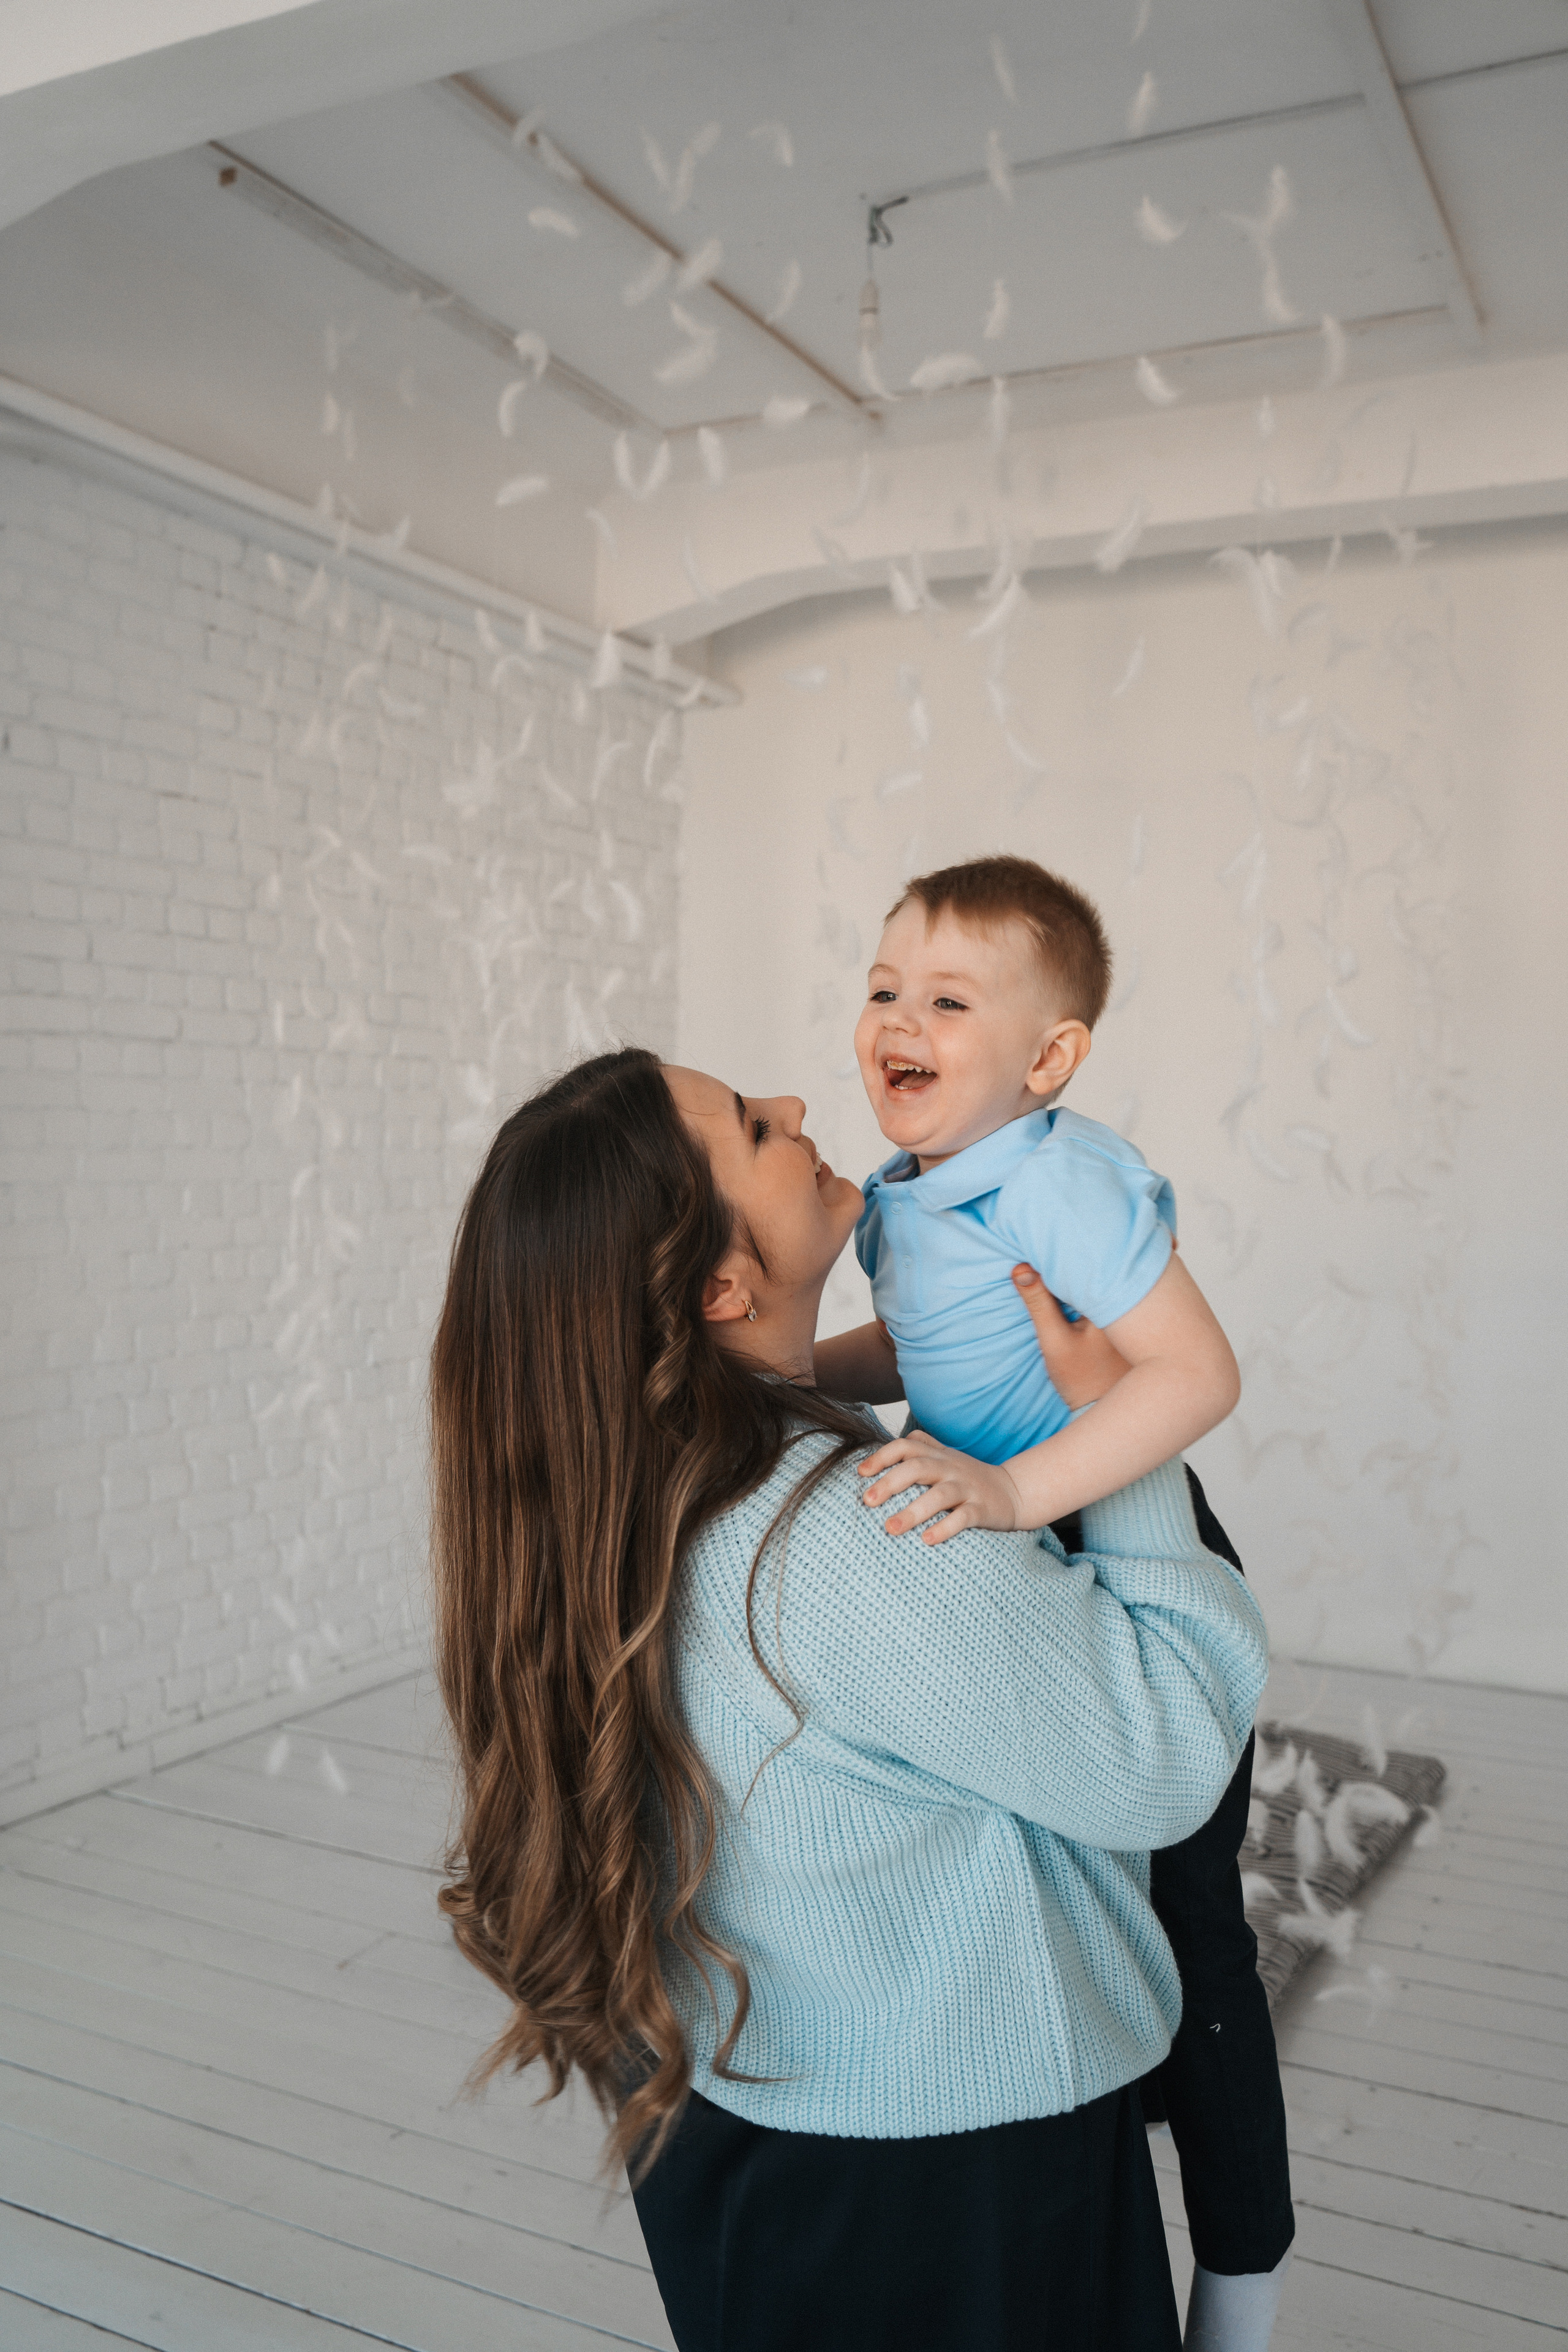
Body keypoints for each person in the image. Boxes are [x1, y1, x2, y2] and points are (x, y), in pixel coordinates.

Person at [428, 1046, 1271, 2351]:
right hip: (953, 2179)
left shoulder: (619, 1495)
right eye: (753, 1128)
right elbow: (1163, 1759)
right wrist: (1118, 1427)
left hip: (740, 2129)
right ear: (719, 1285)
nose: (794, 1108)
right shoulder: (841, 1534)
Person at [815, 855, 1295, 2349]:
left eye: (948, 1000)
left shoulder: (1057, 1177)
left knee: (1194, 1924)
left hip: (1109, 1525)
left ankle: (1240, 2281)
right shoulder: (908, 1189)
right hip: (1007, 1537)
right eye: (883, 987)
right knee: (1063, 1877)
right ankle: (1083, 2132)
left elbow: (1195, 1374)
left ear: (1048, 1058)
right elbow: (922, 1346)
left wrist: (1022, 1493)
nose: (899, 1019)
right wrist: (789, 1376)